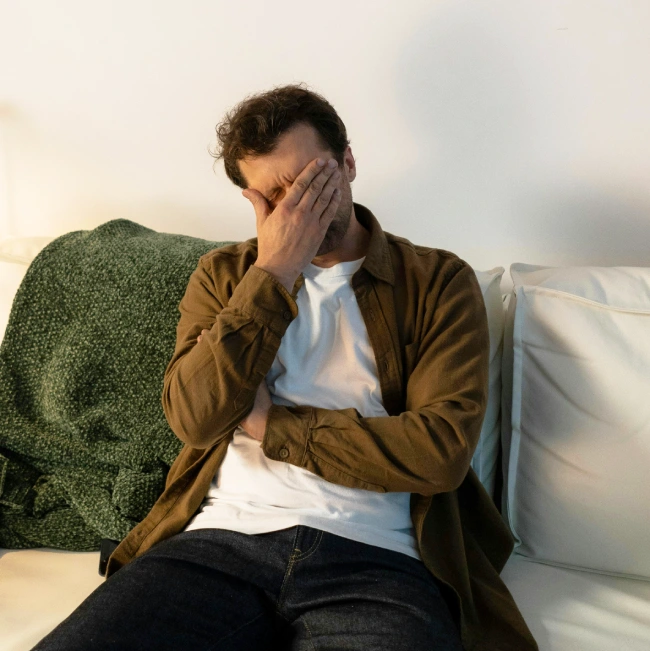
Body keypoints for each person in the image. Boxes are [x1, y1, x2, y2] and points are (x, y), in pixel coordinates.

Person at [32, 83, 538, 650]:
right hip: (220, 543)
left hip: (378, 562)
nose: (295, 209)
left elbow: (440, 453)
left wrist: (272, 426)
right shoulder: (225, 275)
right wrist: (274, 271)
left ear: (348, 162)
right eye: (273, 197)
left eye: (308, 182)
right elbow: (195, 419)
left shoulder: (438, 281)